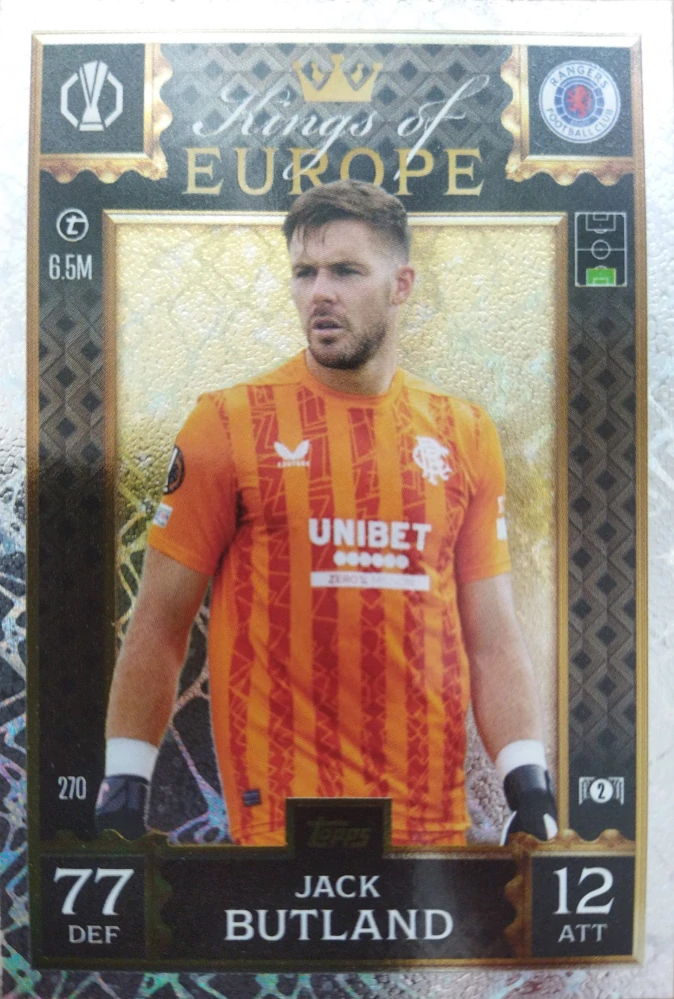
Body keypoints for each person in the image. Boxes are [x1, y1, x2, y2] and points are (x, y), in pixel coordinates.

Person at [96, 180, 557, 847]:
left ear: (401, 285)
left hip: (429, 825)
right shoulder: (228, 422)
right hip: (277, 824)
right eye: (304, 273)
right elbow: (160, 624)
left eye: (345, 271)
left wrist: (529, 788)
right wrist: (123, 788)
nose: (320, 293)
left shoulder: (464, 432)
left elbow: (493, 636)